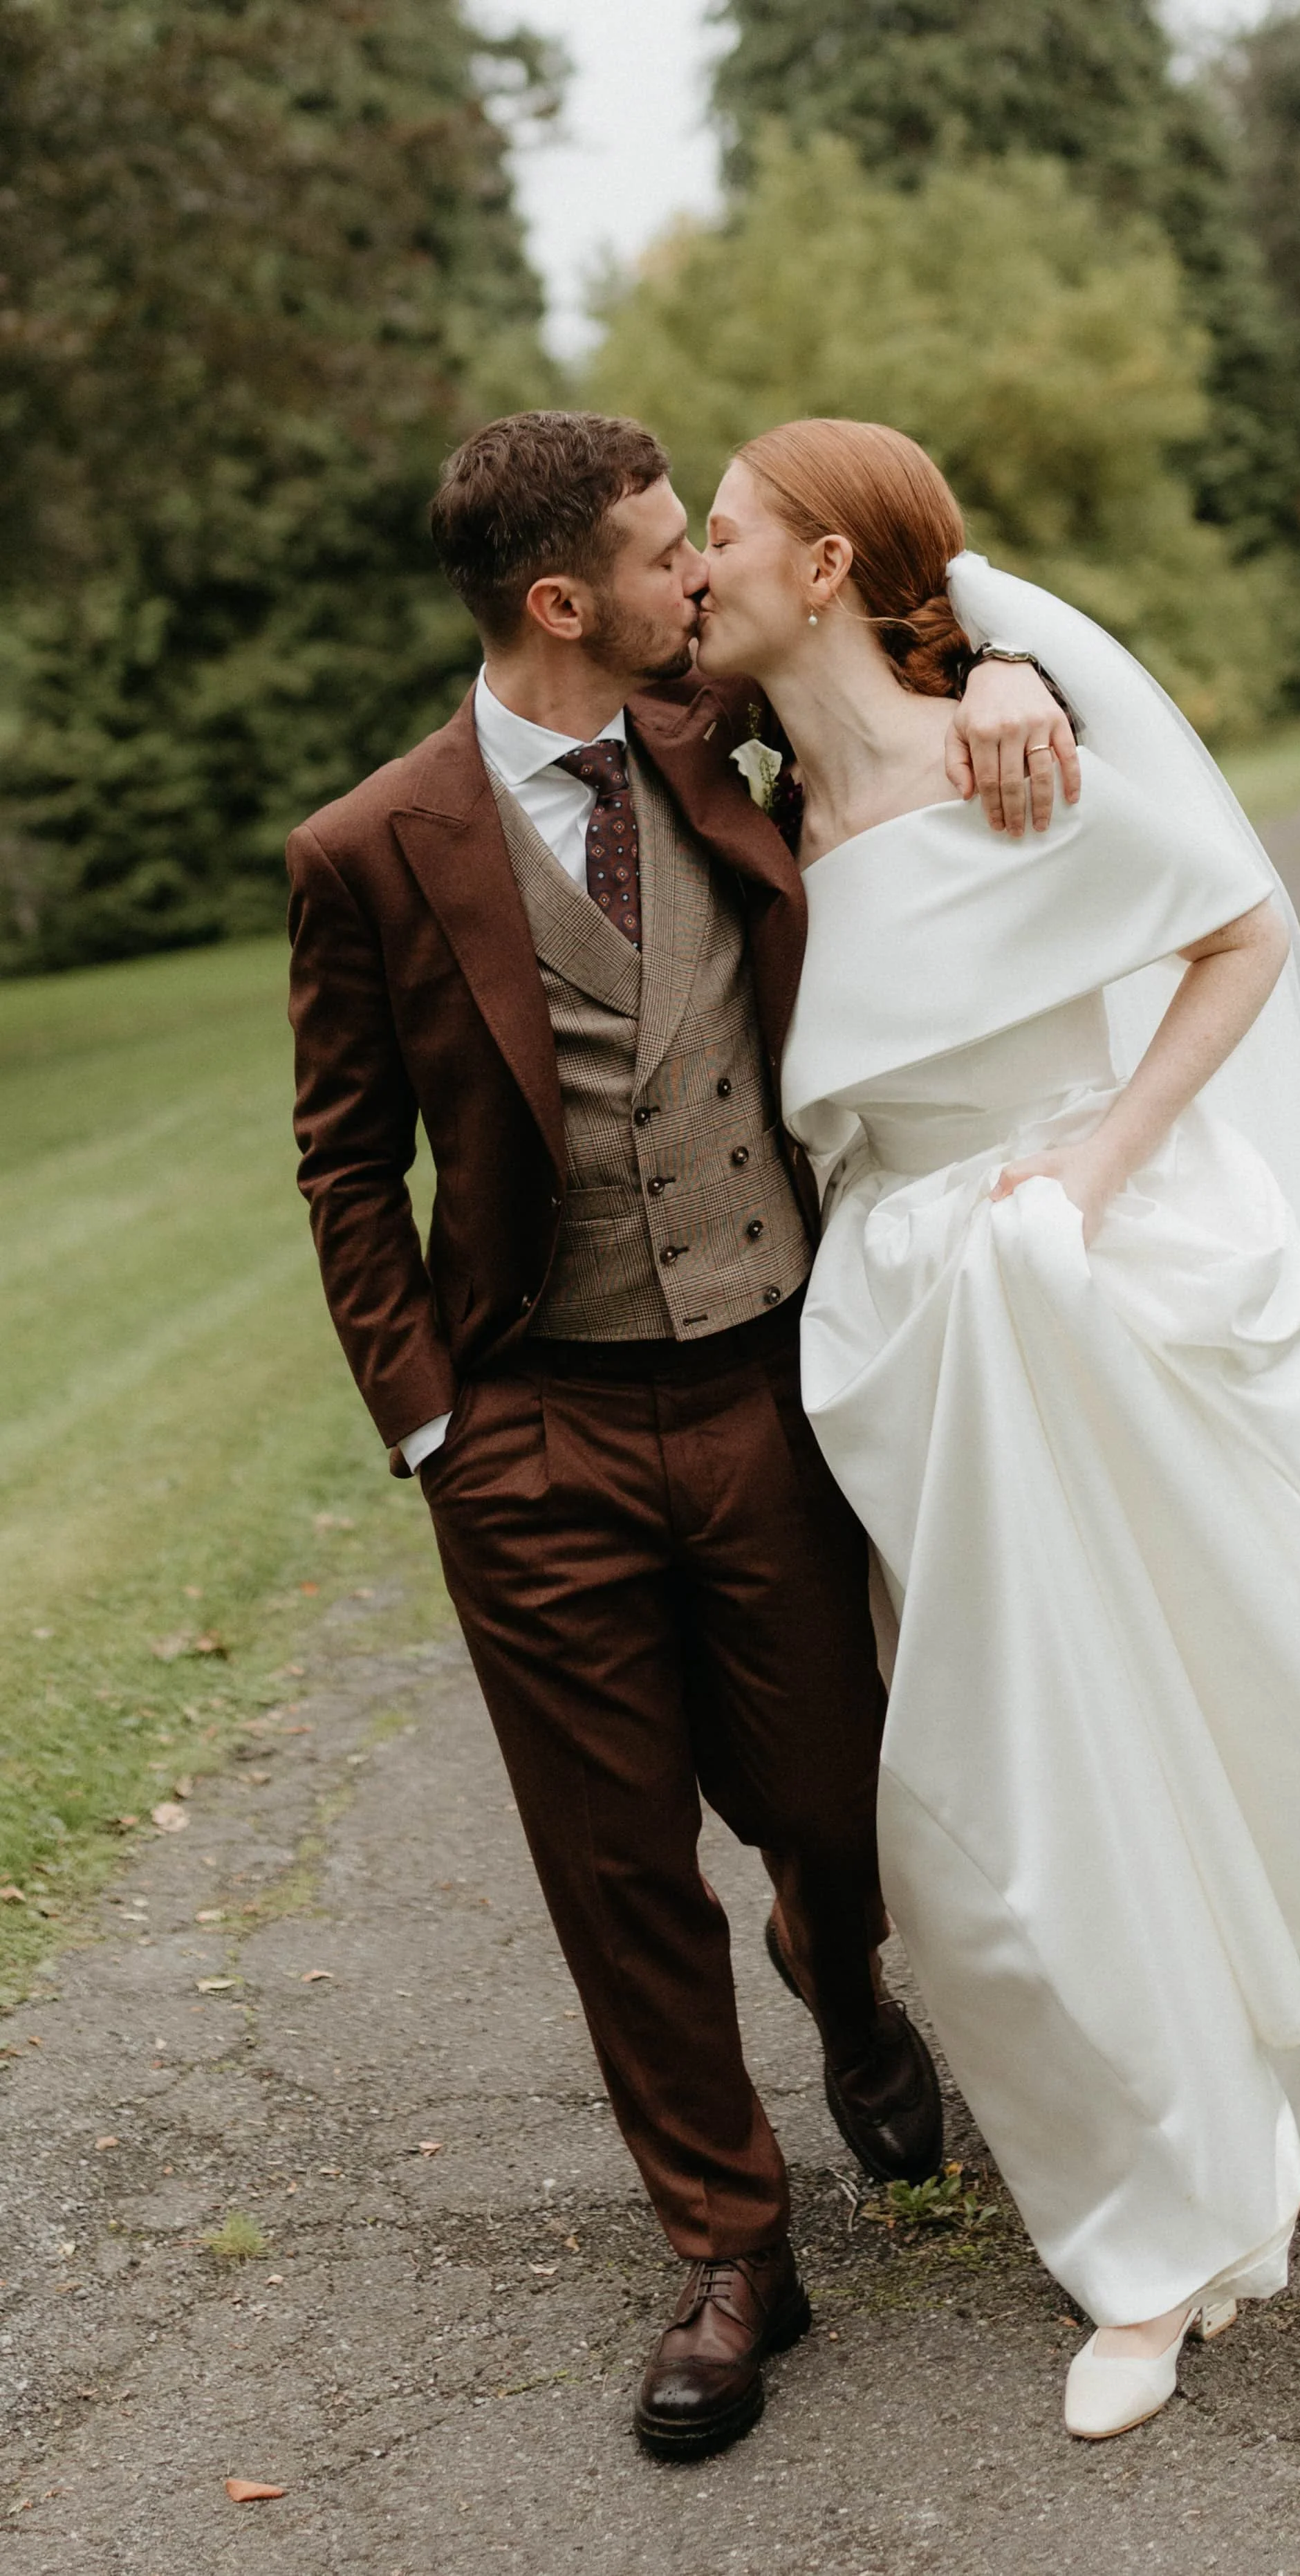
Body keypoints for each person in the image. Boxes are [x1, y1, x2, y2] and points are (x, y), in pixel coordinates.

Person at [694, 416, 1300, 2441]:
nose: (694, 567)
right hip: (902, 1329)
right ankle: (1169, 2110)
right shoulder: (750, 805)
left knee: (1131, 1712)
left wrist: (1101, 1167)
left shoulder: (1003, 764)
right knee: (1005, 1767)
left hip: (1067, 1282)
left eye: (724, 531)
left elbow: (1240, 927)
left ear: (827, 566)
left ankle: (1185, 2197)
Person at [284, 409, 1077, 2462]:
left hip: (765, 1381)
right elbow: (346, 1163)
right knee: (618, 1860)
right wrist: (432, 1427)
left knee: (830, 1793)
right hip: (533, 1428)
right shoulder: (369, 848)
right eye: (662, 552)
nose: (698, 573)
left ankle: (845, 1970)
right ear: (565, 602)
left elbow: (904, 640)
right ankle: (733, 2245)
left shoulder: (715, 724)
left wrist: (1010, 665)